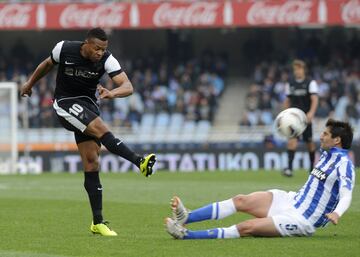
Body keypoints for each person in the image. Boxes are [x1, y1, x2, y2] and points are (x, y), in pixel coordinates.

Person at [20, 28, 156, 236]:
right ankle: (139, 161)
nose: (100, 53)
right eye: (97, 48)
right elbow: (47, 64)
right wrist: (30, 84)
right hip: (65, 103)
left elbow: (127, 86)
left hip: (88, 106)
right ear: (86, 43)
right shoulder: (64, 48)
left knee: (92, 161)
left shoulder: (107, 59)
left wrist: (112, 92)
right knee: (102, 129)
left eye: (104, 49)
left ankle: (98, 222)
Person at [165, 119, 354, 239]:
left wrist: (337, 213)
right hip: (290, 200)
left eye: (326, 134)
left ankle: (187, 235)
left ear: (337, 140)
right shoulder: (326, 156)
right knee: (241, 200)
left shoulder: (344, 163)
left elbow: (346, 195)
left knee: (247, 227)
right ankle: (188, 217)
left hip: (302, 219)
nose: (321, 136)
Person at [283, 59, 319, 177]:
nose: (297, 71)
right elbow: (288, 100)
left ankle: (311, 167)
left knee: (309, 142)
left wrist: (311, 113)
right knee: (292, 141)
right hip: (294, 118)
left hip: (306, 117)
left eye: (299, 69)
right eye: (295, 69)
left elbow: (314, 99)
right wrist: (286, 113)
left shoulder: (310, 82)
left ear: (303, 70)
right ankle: (289, 168)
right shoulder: (290, 83)